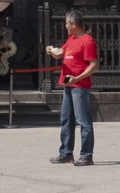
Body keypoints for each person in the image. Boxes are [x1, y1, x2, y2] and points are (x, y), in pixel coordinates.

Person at [46, 9, 98, 166]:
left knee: (83, 121)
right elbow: (61, 53)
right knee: (66, 120)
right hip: (68, 84)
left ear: (74, 24)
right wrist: (52, 51)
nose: (66, 26)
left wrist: (78, 77)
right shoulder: (72, 39)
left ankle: (86, 155)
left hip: (79, 85)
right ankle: (66, 153)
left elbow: (93, 65)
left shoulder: (87, 41)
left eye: (67, 24)